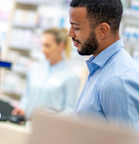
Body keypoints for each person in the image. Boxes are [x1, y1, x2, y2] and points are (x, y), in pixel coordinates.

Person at [68, 0, 139, 130]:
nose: (70, 34)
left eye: (76, 27)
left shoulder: (118, 80)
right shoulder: (100, 68)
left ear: (102, 30)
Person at [12, 28, 80, 120]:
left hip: (50, 129)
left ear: (61, 46)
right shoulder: (34, 68)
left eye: (47, 46)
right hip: (27, 124)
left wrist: (51, 118)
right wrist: (23, 109)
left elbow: (70, 111)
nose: (43, 50)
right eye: (42, 45)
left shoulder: (71, 76)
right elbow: (27, 96)